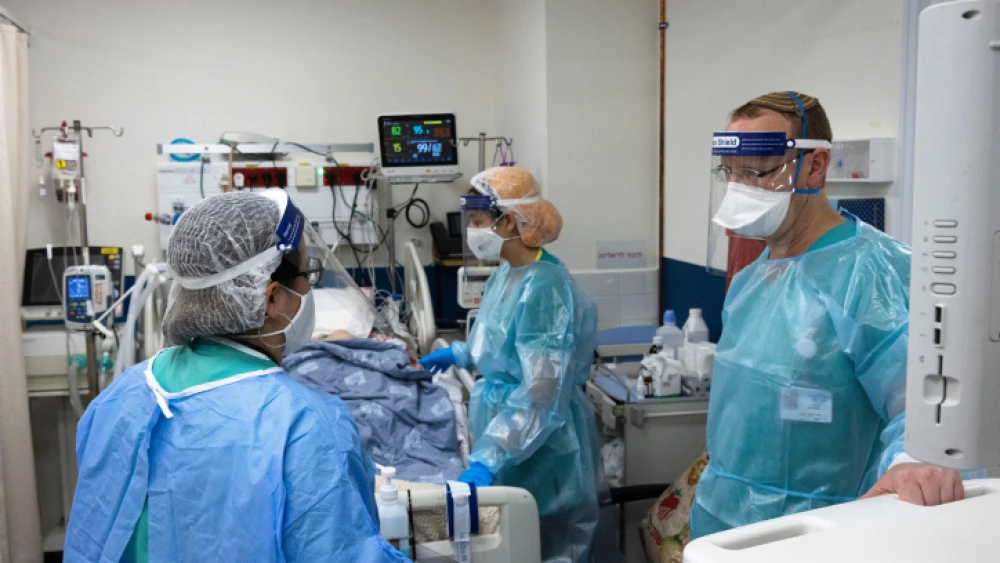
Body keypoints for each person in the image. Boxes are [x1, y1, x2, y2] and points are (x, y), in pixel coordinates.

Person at [65, 190, 407, 562]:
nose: (309, 287)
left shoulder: (120, 397)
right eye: (307, 275)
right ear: (271, 298)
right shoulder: (306, 427)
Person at [691, 91, 972, 538]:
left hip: (821, 534)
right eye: (731, 173)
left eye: (757, 172)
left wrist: (912, 463)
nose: (740, 189)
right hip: (723, 528)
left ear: (815, 165)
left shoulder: (871, 273)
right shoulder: (749, 281)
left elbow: (929, 409)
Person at [419, 167, 604, 563]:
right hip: (508, 427)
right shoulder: (508, 273)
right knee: (513, 538)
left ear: (508, 220)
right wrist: (460, 354)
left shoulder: (545, 287)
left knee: (548, 541)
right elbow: (499, 339)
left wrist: (491, 455)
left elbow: (541, 393)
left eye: (477, 221)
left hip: (543, 441)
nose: (472, 231)